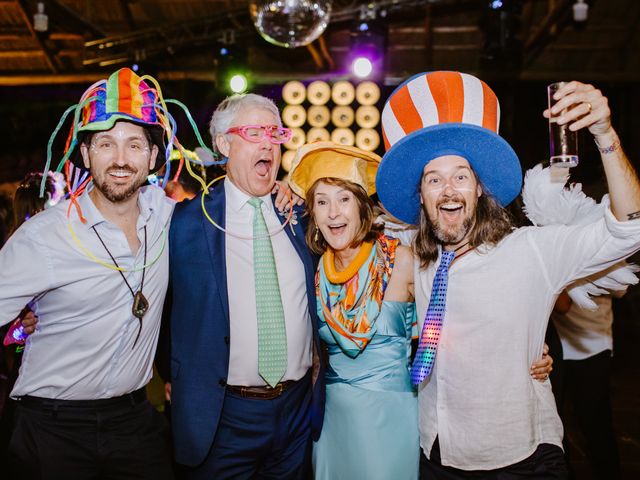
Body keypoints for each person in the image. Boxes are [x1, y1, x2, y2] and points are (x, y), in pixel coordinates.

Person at [375, 71, 640, 478]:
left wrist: (605, 134)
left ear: (479, 189)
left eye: (460, 176)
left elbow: (629, 228)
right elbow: (342, 212)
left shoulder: (530, 249)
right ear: (422, 196)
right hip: (435, 449)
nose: (448, 190)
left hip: (520, 457)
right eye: (434, 179)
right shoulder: (420, 258)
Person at [0, 68, 177, 479]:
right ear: (84, 154)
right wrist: (17, 328)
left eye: (135, 145)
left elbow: (228, 207)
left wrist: (284, 190)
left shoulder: (170, 218)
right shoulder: (44, 236)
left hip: (134, 420)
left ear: (152, 158)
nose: (119, 159)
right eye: (105, 144)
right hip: (51, 426)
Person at [167, 93, 324, 479]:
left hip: (296, 412)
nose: (269, 143)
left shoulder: (301, 215)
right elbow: (158, 299)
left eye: (275, 133)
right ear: (223, 144)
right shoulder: (187, 222)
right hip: (223, 417)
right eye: (255, 132)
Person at [287, 141, 419, 479]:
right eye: (322, 202)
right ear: (312, 214)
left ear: (363, 208)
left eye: (344, 199)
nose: (333, 213)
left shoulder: (401, 260)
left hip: (390, 419)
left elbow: (457, 319)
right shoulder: (314, 271)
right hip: (332, 421)